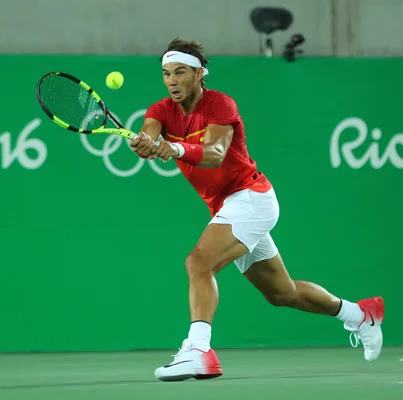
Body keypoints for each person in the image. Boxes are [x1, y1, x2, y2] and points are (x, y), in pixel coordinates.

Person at [130, 38, 385, 382]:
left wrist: (173, 148)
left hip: (251, 198)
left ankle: (199, 350)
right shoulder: (161, 110)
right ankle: (360, 313)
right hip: (228, 207)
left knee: (199, 263)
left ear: (199, 73)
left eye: (180, 72)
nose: (172, 81)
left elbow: (215, 153)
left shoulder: (220, 105)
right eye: (166, 74)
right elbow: (150, 132)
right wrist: (146, 143)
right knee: (283, 294)